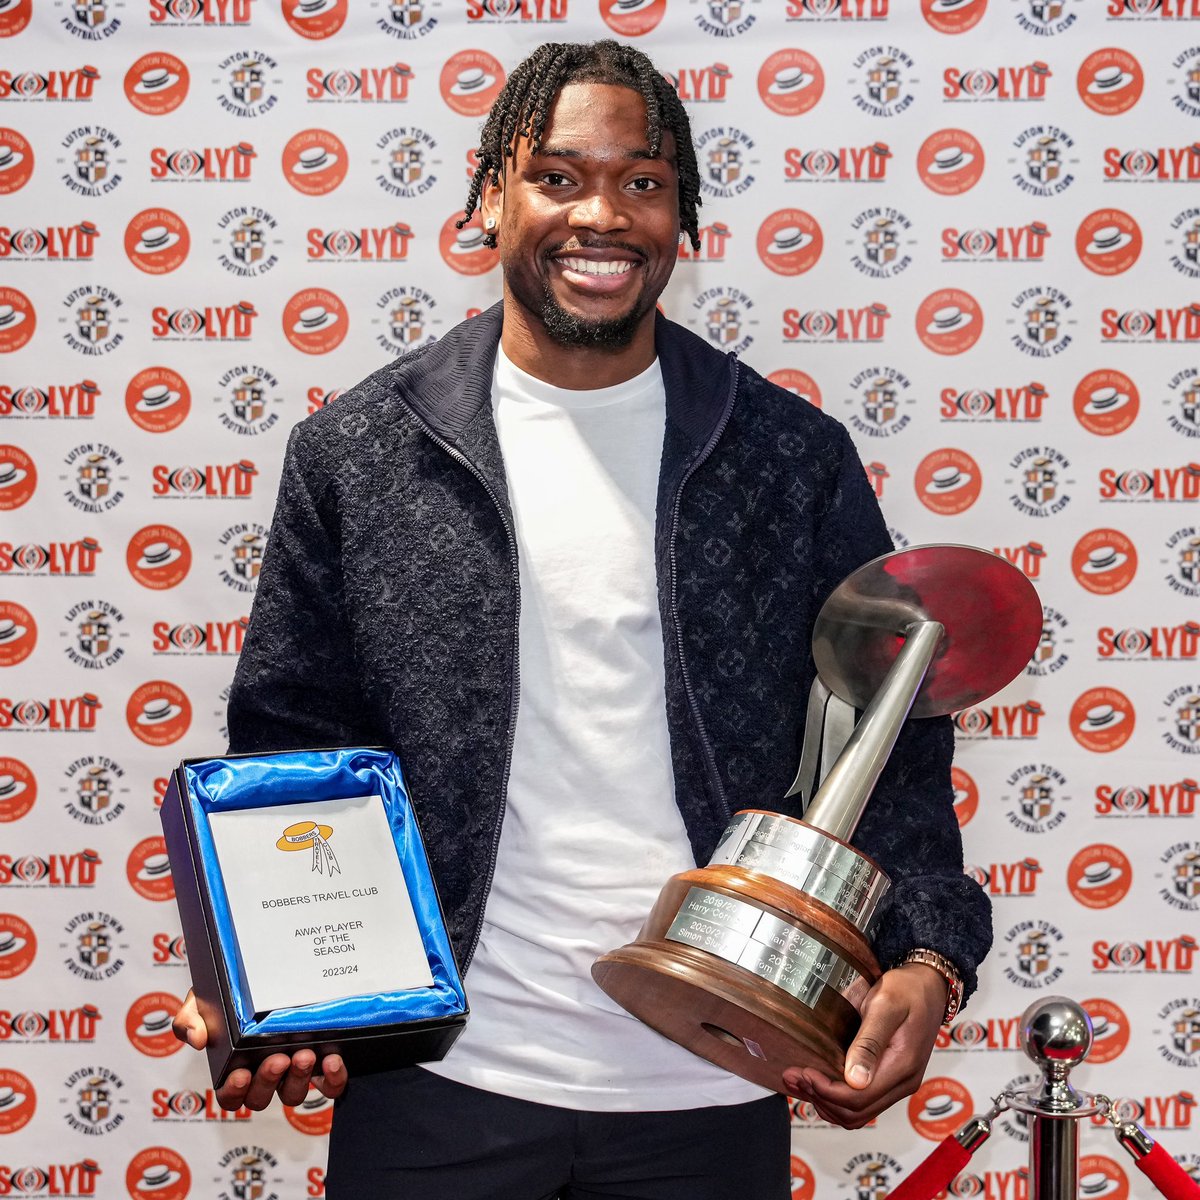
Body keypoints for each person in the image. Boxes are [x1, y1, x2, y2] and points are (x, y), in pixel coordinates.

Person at [173, 39, 991, 1200]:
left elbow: (891, 732)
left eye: (644, 182)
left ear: (683, 217)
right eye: (557, 177)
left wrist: (931, 957)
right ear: (489, 198)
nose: (601, 214)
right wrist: (278, 985)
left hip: (711, 1082)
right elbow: (290, 747)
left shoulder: (789, 461)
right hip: (440, 1085)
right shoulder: (360, 454)